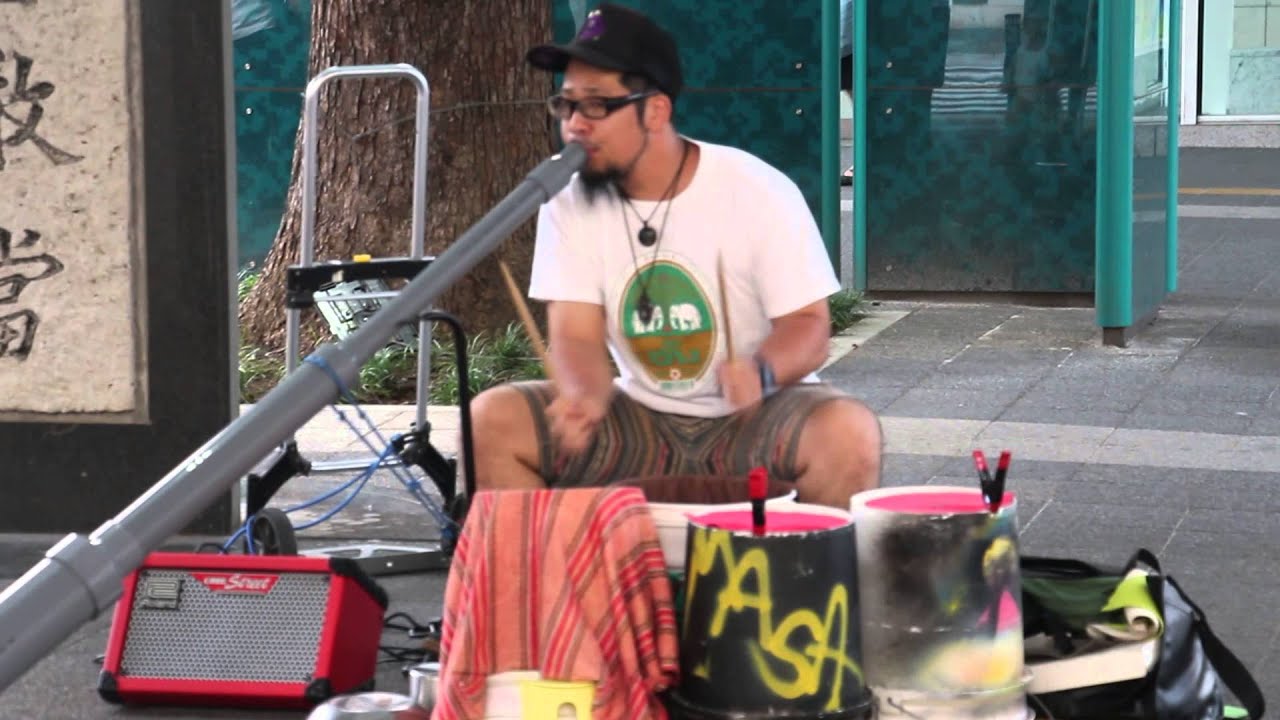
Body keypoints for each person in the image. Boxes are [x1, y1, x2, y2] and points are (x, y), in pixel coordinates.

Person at [468, 2, 881, 509]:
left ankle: (804, 562)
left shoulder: (756, 189)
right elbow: (575, 333)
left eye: (596, 105)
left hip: (755, 416)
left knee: (847, 433)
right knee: (493, 419)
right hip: (640, 417)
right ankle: (563, 560)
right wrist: (583, 393)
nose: (574, 124)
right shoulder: (568, 199)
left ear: (655, 111)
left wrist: (761, 371)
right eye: (567, 105)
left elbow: (809, 326)